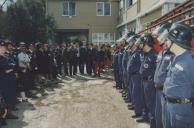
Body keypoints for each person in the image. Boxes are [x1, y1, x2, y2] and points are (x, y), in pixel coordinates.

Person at [163, 23, 194, 128]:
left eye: (168, 39)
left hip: (181, 112)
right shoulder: (175, 58)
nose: (165, 42)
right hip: (169, 106)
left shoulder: (190, 61)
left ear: (175, 41)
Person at [153, 22, 174, 128]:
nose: (159, 39)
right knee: (158, 116)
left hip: (165, 92)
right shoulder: (161, 52)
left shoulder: (173, 54)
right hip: (157, 89)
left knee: (165, 120)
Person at [137, 34, 157, 128]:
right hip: (143, 81)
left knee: (151, 104)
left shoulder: (154, 55)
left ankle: (153, 124)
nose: (140, 45)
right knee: (144, 101)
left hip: (150, 82)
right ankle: (145, 117)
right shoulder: (144, 54)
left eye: (142, 43)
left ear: (147, 44)